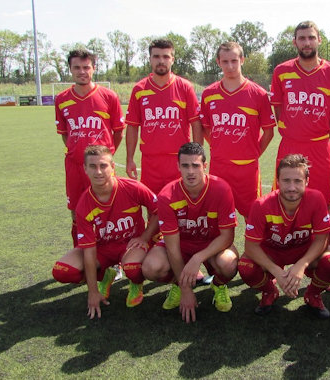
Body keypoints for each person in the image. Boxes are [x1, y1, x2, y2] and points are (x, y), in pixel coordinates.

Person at [52, 145, 159, 319]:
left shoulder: (132, 187)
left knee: (133, 269)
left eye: (103, 166)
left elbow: (158, 210)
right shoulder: (84, 204)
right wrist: (92, 291)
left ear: (113, 168)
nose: (99, 172)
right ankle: (106, 275)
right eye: (93, 166)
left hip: (130, 246)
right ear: (85, 169)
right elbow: (88, 249)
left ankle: (136, 283)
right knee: (62, 271)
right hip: (103, 248)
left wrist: (145, 236)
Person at [141, 142, 238, 323]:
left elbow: (227, 236)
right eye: (185, 166)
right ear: (178, 166)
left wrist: (197, 258)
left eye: (195, 165)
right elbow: (172, 247)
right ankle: (178, 284)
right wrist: (186, 290)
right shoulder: (167, 196)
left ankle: (218, 286)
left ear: (205, 166)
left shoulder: (221, 189)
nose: (190, 171)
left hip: (211, 244)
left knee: (228, 264)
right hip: (181, 245)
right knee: (150, 267)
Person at [270, 20, 330, 247]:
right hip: (290, 145)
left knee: (325, 204)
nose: (306, 42)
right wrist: (293, 131)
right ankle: (283, 254)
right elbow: (278, 108)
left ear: (319, 40)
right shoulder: (281, 71)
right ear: (295, 42)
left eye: (311, 37)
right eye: (302, 38)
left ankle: (328, 259)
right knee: (284, 200)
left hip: (320, 147)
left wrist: (319, 135)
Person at [238, 154, 330, 319]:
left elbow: (322, 238)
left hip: (303, 250)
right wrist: (276, 272)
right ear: (277, 181)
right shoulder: (261, 205)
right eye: (286, 181)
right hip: (272, 252)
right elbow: (250, 246)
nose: (292, 187)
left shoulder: (316, 199)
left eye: (298, 181)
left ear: (307, 181)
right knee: (245, 266)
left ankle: (312, 295)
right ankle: (269, 292)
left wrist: (302, 264)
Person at [55, 49, 125, 246]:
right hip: (75, 166)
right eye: (77, 67)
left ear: (94, 69)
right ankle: (81, 251)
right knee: (76, 211)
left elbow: (118, 132)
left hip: (102, 166)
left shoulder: (108, 96)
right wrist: (77, 152)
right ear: (70, 69)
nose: (82, 72)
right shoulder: (61, 99)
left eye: (86, 67)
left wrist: (105, 157)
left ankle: (113, 258)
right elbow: (65, 134)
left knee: (109, 210)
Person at [199, 42, 275, 219]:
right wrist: (219, 147)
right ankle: (224, 248)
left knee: (253, 216)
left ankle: (251, 248)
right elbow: (205, 128)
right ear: (218, 62)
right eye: (225, 61)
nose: (230, 66)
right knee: (218, 217)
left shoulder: (258, 94)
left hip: (247, 170)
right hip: (219, 167)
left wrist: (253, 152)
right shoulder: (209, 94)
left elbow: (269, 132)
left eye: (234, 60)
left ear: (242, 60)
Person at [125, 39, 203, 195]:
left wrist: (196, 157)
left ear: (172, 59)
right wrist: (130, 159)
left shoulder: (184, 87)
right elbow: (133, 126)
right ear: (150, 59)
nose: (161, 61)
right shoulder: (139, 89)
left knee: (181, 208)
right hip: (150, 162)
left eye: (166, 57)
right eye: (156, 56)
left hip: (179, 161)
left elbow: (196, 124)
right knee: (153, 209)